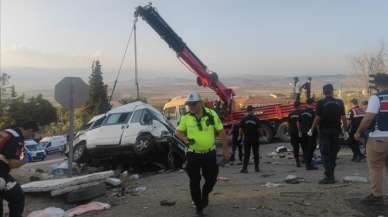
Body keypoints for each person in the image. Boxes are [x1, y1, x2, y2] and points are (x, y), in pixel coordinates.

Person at [175, 92, 229, 216]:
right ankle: (199, 207)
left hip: (209, 154)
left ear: (201, 103)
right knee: (194, 181)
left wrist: (225, 150)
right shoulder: (186, 117)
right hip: (193, 154)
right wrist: (184, 139)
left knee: (211, 179)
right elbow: (178, 132)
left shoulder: (211, 114)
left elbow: (221, 132)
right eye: (189, 104)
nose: (191, 107)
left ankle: (205, 194)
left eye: (193, 104)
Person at [355, 73, 388, 206]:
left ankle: (377, 196)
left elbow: (368, 118)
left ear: (377, 84)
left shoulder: (376, 98)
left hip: (378, 139)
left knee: (375, 167)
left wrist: (358, 132)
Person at [309, 84, 347, 184]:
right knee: (333, 152)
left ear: (323, 92)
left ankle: (329, 177)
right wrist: (345, 130)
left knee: (325, 153)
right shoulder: (339, 102)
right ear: (332, 91)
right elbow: (343, 117)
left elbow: (317, 118)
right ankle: (332, 175)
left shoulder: (321, 102)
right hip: (336, 131)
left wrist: (312, 129)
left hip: (325, 130)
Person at [0, 121, 39, 217]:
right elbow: (12, 163)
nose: (32, 136)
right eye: (33, 134)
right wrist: (25, 160)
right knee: (18, 196)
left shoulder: (7, 132)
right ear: (30, 130)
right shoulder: (17, 138)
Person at [239, 105, 261, 173]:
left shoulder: (243, 119)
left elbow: (241, 129)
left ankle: (244, 168)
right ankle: (256, 168)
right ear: (252, 111)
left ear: (247, 111)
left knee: (246, 154)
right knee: (256, 153)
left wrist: (241, 137)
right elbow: (259, 129)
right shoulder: (256, 119)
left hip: (247, 139)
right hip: (255, 139)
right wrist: (260, 135)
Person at [300, 98, 318, 170]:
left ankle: (306, 161)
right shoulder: (313, 112)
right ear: (312, 103)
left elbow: (299, 122)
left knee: (305, 147)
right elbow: (316, 123)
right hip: (311, 132)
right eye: (314, 103)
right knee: (311, 147)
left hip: (303, 132)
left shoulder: (302, 112)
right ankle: (309, 164)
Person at [288, 101, 303, 167]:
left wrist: (289, 131)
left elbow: (288, 123)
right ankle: (305, 159)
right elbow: (298, 123)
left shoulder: (290, 114)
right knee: (304, 146)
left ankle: (297, 162)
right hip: (299, 132)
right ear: (299, 106)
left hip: (292, 132)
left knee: (295, 147)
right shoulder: (301, 113)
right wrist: (300, 131)